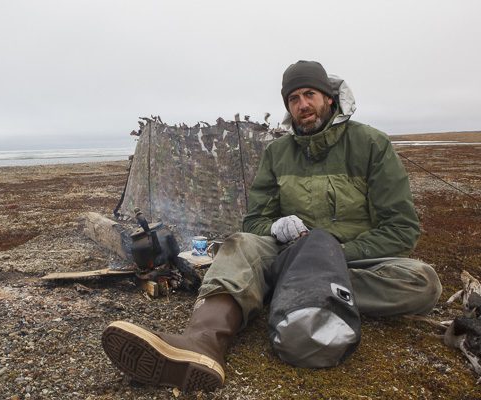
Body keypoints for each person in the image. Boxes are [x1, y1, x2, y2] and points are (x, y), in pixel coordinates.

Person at [101, 60, 442, 392]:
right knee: (240, 243)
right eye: (293, 98)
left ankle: (282, 290)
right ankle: (202, 342)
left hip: (349, 258)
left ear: (330, 98)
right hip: (287, 256)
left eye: (310, 94)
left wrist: (331, 255)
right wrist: (276, 227)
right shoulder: (278, 153)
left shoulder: (371, 144)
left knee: (423, 281)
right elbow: (255, 221)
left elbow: (401, 229)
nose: (302, 105)